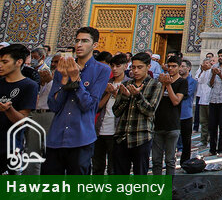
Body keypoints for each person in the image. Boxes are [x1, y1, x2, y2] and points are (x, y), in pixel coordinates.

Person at [44, 26, 111, 174]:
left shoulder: (102, 70)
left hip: (81, 137)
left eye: (84, 41)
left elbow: (89, 105)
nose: (79, 45)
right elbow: (54, 105)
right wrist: (65, 79)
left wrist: (75, 79)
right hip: (56, 136)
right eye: (77, 40)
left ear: (94, 45)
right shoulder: (62, 68)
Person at [112, 52, 162, 175]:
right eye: (133, 67)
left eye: (140, 67)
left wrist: (137, 95)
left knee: (140, 175)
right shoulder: (126, 84)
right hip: (122, 136)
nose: (135, 71)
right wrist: (125, 97)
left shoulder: (155, 85)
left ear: (148, 67)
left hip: (141, 136)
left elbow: (150, 111)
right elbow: (116, 112)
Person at [0, 44, 39, 175]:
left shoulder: (29, 86)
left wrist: (8, 109)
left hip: (9, 147)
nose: (0, 65)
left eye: (5, 62)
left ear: (19, 62)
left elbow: (22, 121)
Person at [151, 54, 186, 176]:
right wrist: (162, 85)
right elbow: (156, 100)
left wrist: (168, 85)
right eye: (169, 66)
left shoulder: (182, 82)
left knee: (170, 160)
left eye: (174, 66)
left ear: (179, 67)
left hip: (172, 125)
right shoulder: (160, 82)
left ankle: (169, 185)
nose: (171, 69)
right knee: (156, 160)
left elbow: (176, 101)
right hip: (158, 124)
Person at [93, 52, 127, 175]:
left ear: (125, 66)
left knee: (113, 167)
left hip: (117, 130)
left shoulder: (129, 83)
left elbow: (127, 107)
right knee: (97, 166)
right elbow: (97, 106)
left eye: (118, 66)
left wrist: (116, 94)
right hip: (101, 128)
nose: (115, 69)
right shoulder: (105, 83)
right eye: (112, 66)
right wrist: (108, 93)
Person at [178, 59, 197, 164]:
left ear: (189, 68)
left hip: (185, 113)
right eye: (179, 66)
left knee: (186, 140)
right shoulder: (175, 80)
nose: (180, 68)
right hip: (175, 113)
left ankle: (185, 161)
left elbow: (186, 94)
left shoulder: (192, 81)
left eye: (183, 66)